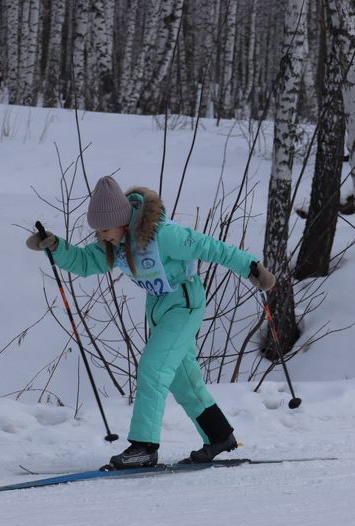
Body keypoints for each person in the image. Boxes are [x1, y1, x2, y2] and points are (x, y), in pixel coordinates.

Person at [27, 177, 276, 470]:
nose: (102, 237)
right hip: (160, 310)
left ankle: (144, 447)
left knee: (153, 368)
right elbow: (83, 263)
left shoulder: (164, 235)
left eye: (105, 230)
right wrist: (55, 246)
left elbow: (211, 248)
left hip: (184, 303)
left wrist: (250, 267)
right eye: (99, 232)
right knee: (183, 380)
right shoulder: (115, 244)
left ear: (120, 221)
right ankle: (220, 437)